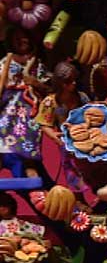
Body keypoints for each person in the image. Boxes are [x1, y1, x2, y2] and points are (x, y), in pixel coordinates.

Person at [35, 61, 91, 200]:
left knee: (93, 165)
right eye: (68, 81)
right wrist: (53, 135)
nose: (73, 84)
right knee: (71, 168)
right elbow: (44, 123)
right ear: (60, 83)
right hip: (66, 141)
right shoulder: (50, 102)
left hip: (87, 136)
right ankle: (79, 198)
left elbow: (92, 113)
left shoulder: (82, 97)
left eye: (74, 80)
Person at [0, 27, 50, 181]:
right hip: (8, 110)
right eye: (17, 38)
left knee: (28, 146)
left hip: (29, 112)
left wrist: (35, 83)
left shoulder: (37, 65)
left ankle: (32, 177)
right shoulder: (5, 62)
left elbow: (49, 88)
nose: (22, 41)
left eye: (25, 37)